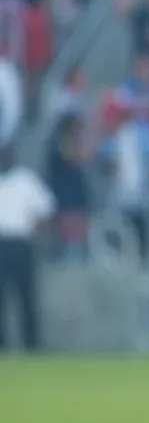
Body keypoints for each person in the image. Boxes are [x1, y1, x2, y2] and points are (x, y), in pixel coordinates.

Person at [0, 144, 54, 351]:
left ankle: (31, 345)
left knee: (27, 296)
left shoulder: (26, 180)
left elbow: (46, 208)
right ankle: (2, 345)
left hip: (21, 242)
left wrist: (37, 232)